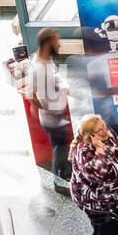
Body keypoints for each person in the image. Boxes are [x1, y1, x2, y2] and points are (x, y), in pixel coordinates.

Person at [24, 27, 72, 181]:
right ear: (47, 43)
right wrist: (48, 109)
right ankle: (60, 176)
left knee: (62, 145)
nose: (58, 45)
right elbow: (30, 94)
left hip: (58, 113)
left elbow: (54, 76)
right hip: (52, 118)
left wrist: (62, 86)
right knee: (59, 147)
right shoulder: (37, 68)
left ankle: (63, 169)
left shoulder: (47, 59)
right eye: (56, 41)